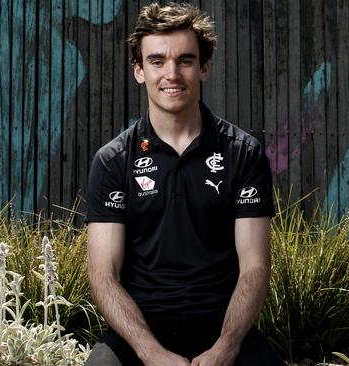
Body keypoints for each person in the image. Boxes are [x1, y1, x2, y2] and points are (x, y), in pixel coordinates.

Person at [84, 3, 284, 365]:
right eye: (157, 61)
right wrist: (150, 353)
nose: (171, 74)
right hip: (140, 332)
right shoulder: (113, 161)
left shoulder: (243, 154)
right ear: (139, 71)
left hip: (222, 329)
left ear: (204, 68)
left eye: (185, 60)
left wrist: (226, 346)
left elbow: (255, 265)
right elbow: (103, 273)